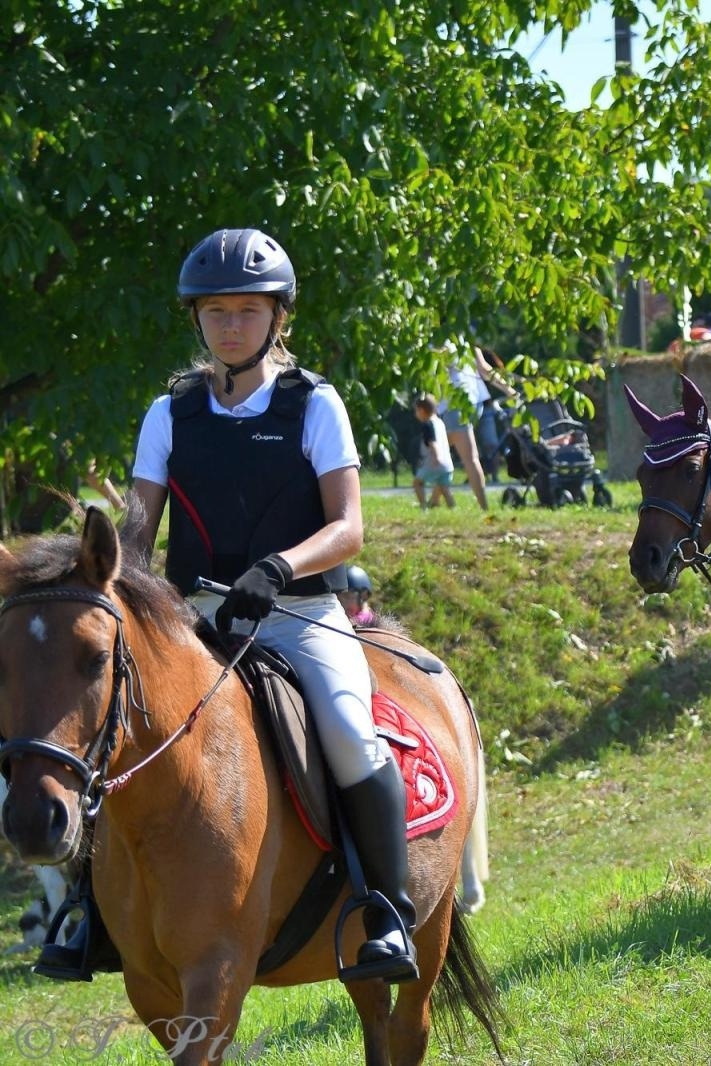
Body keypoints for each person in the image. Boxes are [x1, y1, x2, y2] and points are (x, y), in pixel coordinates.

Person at [50, 228, 420, 985]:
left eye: (247, 310)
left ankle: (387, 910)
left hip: (299, 614)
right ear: (197, 319)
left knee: (350, 734)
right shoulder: (170, 414)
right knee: (109, 726)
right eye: (215, 311)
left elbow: (349, 526)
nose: (230, 325)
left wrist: (280, 567)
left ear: (278, 316)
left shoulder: (314, 403)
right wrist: (111, 585)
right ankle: (91, 914)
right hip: (194, 620)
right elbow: (138, 532)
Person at [439, 341, 507, 511]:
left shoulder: (438, 342)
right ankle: (434, 501)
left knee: (468, 458)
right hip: (474, 401)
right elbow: (484, 369)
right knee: (440, 452)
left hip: (455, 405)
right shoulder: (464, 339)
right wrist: (509, 390)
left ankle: (484, 508)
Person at [412, 394, 456, 509]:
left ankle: (423, 507)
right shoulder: (440, 422)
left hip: (434, 462)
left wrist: (436, 457)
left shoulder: (427, 425)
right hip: (448, 464)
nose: (415, 414)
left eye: (416, 411)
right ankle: (452, 507)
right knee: (444, 488)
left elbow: (432, 442)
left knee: (417, 483)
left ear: (421, 411)